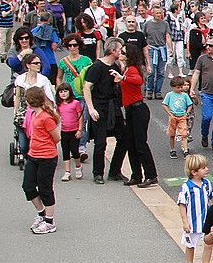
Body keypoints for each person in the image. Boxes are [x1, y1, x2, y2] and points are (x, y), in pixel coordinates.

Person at [112, 43, 157, 187]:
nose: (121, 54)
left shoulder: (131, 69)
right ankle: (136, 175)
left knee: (140, 144)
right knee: (131, 144)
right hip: (131, 109)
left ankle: (151, 175)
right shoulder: (125, 69)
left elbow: (138, 81)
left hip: (138, 109)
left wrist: (122, 78)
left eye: (123, 52)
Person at [82, 37, 124, 185]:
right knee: (100, 142)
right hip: (100, 105)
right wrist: (91, 108)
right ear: (112, 51)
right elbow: (87, 87)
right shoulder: (97, 67)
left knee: (123, 138)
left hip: (113, 106)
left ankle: (114, 171)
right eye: (119, 49)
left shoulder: (116, 66)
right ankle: (98, 173)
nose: (121, 51)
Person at [21, 86, 60, 235]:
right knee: (28, 186)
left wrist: (45, 145)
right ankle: (41, 213)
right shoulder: (33, 114)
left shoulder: (45, 117)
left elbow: (57, 137)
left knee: (45, 188)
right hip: (33, 155)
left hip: (47, 157)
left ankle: (50, 221)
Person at [178, 154, 213, 263]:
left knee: (208, 243)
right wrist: (185, 222)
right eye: (203, 168)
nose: (206, 170)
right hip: (193, 221)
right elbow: (182, 205)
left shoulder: (207, 184)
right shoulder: (187, 187)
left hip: (206, 220)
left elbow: (210, 199)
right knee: (190, 244)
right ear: (194, 172)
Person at [56, 83, 84, 181]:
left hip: (74, 131)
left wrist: (80, 129)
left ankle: (78, 166)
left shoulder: (75, 103)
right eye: (61, 92)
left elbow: (80, 117)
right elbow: (58, 117)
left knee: (75, 150)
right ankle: (67, 171)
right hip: (64, 131)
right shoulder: (59, 105)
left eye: (65, 91)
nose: (63, 94)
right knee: (65, 151)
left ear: (70, 92)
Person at [163, 77, 193, 158]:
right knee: (172, 134)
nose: (180, 89)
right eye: (178, 87)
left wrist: (187, 113)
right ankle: (172, 149)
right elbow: (164, 104)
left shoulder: (184, 95)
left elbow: (190, 105)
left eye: (181, 87)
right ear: (173, 87)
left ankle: (186, 150)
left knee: (184, 134)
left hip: (182, 116)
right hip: (173, 116)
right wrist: (170, 113)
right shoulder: (169, 95)